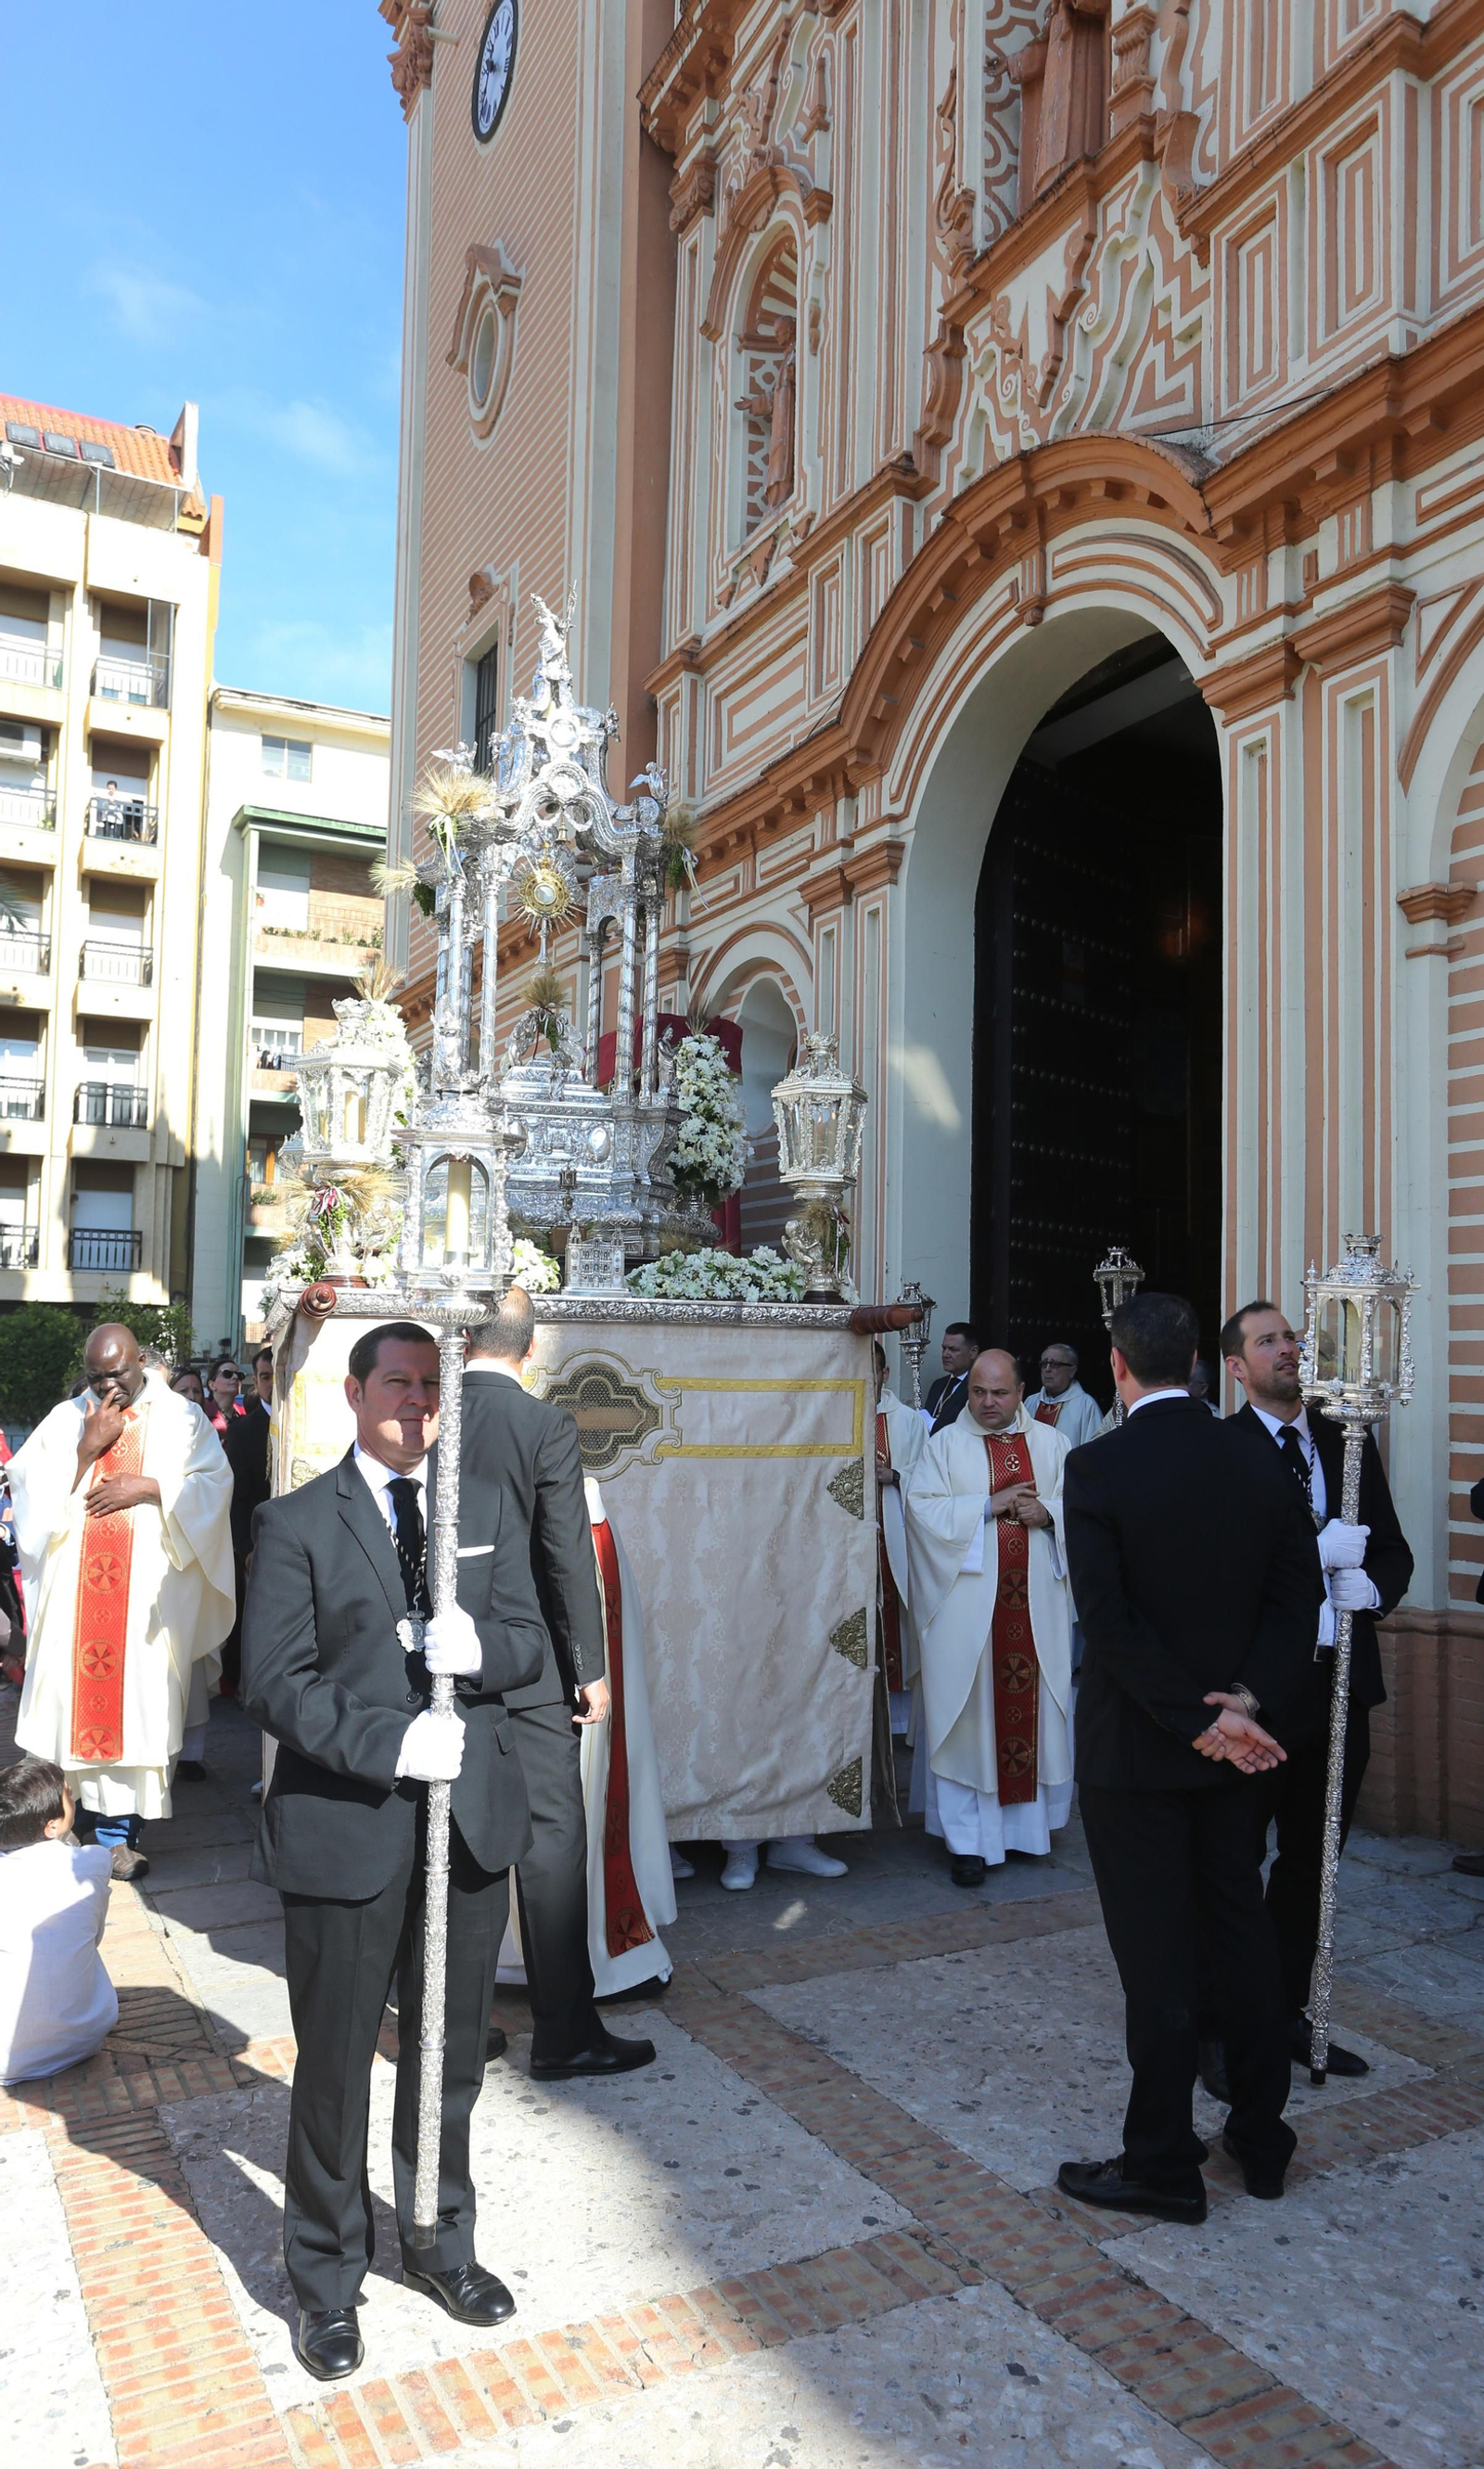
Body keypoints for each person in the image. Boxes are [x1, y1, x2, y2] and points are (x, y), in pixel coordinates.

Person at [241, 1321, 547, 2383]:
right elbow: (271, 1679)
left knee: (449, 2054)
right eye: (398, 1385)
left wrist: (483, 1649)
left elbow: (530, 1638)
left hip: (466, 1823)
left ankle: (438, 2241)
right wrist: (390, 1742)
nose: (416, 1404)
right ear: (355, 1393)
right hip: (348, 1824)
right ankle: (327, 2277)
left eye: (430, 1389)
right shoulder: (295, 1522)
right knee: (334, 2065)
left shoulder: (483, 1506)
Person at [1058, 1291, 1324, 2225]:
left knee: (1157, 1960)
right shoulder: (1257, 1459)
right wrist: (1244, 1705)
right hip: (1239, 1752)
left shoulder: (1097, 1465)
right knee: (1240, 1935)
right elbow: (1298, 1602)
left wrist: (1193, 1718)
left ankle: (1163, 2160)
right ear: (1202, 1368)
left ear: (1117, 1366)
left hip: (1137, 1755)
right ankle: (1261, 2137)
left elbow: (1107, 1619)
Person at [460, 1292, 655, 2075]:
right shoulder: (542, 1425)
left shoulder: (426, 1414)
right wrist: (590, 1670)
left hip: (439, 1660)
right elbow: (567, 1553)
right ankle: (565, 2033)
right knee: (551, 1841)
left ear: (462, 1339)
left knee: (454, 1836)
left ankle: (453, 2025)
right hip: (528, 1664)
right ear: (531, 1349)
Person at [1218, 1301, 1414, 2075]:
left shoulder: (1345, 1439)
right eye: (1267, 1341)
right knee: (1234, 1861)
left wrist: (1373, 1589)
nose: (1288, 1350)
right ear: (1237, 1366)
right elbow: (1223, 1570)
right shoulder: (1225, 1450)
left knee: (1312, 1863)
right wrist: (1310, 1553)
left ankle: (1286, 2012)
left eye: (1292, 1338)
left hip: (1338, 1687)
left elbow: (1392, 1549)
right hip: (1262, 1694)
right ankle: (1223, 2021)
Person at [10, 1324, 236, 1879]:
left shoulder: (183, 1418)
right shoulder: (68, 1419)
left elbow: (215, 1484)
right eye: (96, 1377)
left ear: (140, 1362)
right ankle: (69, 1817)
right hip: (73, 1602)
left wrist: (150, 1487)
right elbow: (28, 1495)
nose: (108, 1386)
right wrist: (87, 1447)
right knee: (66, 1709)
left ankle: (118, 1837)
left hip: (146, 1606)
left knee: (137, 1713)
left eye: (118, 1373)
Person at [904, 1348, 1075, 1885]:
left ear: (1022, 1392)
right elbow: (919, 1511)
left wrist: (1049, 1513)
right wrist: (986, 1505)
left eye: (1000, 1392)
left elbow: (1084, 1508)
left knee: (1033, 1714)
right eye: (978, 1391)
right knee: (969, 1726)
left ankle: (1026, 1833)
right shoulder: (945, 1445)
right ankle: (968, 1842)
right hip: (968, 1619)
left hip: (1035, 1614)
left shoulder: (1052, 1444)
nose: (987, 1402)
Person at [0, 1754, 118, 2082]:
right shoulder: (94, 1861)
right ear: (52, 1826)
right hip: (84, 2037)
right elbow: (93, 1936)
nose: (72, 1797)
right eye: (68, 1794)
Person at [873, 1340, 926, 1733]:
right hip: (851, 1541)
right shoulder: (834, 1412)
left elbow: (927, 1479)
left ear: (885, 1373)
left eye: (872, 1369)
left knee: (896, 1620)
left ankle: (898, 1720)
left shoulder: (907, 1421)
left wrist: (894, 1476)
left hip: (894, 1534)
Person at [220, 1347, 274, 1699]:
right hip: (259, 1542)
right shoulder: (242, 1431)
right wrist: (246, 1548)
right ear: (256, 1380)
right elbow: (237, 1498)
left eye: (280, 1375)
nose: (273, 1383)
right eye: (266, 1377)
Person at [1023, 1342, 1104, 1447]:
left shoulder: (1086, 1405)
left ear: (1072, 1371)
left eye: (1055, 1364)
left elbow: (1093, 1449)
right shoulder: (1031, 1401)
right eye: (1044, 1363)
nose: (1047, 1369)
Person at [923, 1323, 982, 1433]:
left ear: (973, 1352)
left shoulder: (978, 1389)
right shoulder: (938, 1385)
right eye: (944, 1348)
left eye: (953, 1349)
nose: (945, 1354)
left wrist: (933, 1425)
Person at [205, 1358, 243, 1439]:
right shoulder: (202, 1412)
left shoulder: (245, 1413)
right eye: (227, 1374)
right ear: (212, 1385)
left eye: (239, 1375)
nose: (235, 1377)